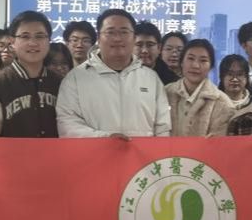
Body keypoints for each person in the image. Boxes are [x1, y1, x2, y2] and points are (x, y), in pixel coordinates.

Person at [56, 9, 171, 138]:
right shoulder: (75, 78)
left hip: (144, 151)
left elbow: (163, 127)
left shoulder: (151, 78)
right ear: (99, 38)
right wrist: (105, 138)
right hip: (94, 150)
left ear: (134, 38)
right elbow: (67, 125)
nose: (117, 38)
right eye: (110, 32)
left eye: (124, 32)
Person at [0, 11, 61, 138]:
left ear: (49, 40)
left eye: (40, 36)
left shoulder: (61, 84)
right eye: (25, 36)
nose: (33, 43)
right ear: (12, 42)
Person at [166, 39, 235, 137]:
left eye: (203, 60)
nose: (195, 65)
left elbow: (218, 143)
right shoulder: (166, 93)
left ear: (211, 66)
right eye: (190, 58)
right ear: (181, 62)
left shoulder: (223, 104)